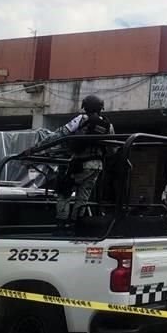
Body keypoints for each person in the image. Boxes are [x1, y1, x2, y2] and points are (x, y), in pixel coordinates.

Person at [31, 94, 114, 231]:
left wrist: (38, 147)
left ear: (85, 107)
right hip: (97, 166)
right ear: (100, 108)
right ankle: (77, 226)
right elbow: (112, 150)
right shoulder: (108, 125)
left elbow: (60, 134)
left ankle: (61, 226)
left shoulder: (82, 119)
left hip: (79, 164)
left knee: (64, 192)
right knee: (83, 198)